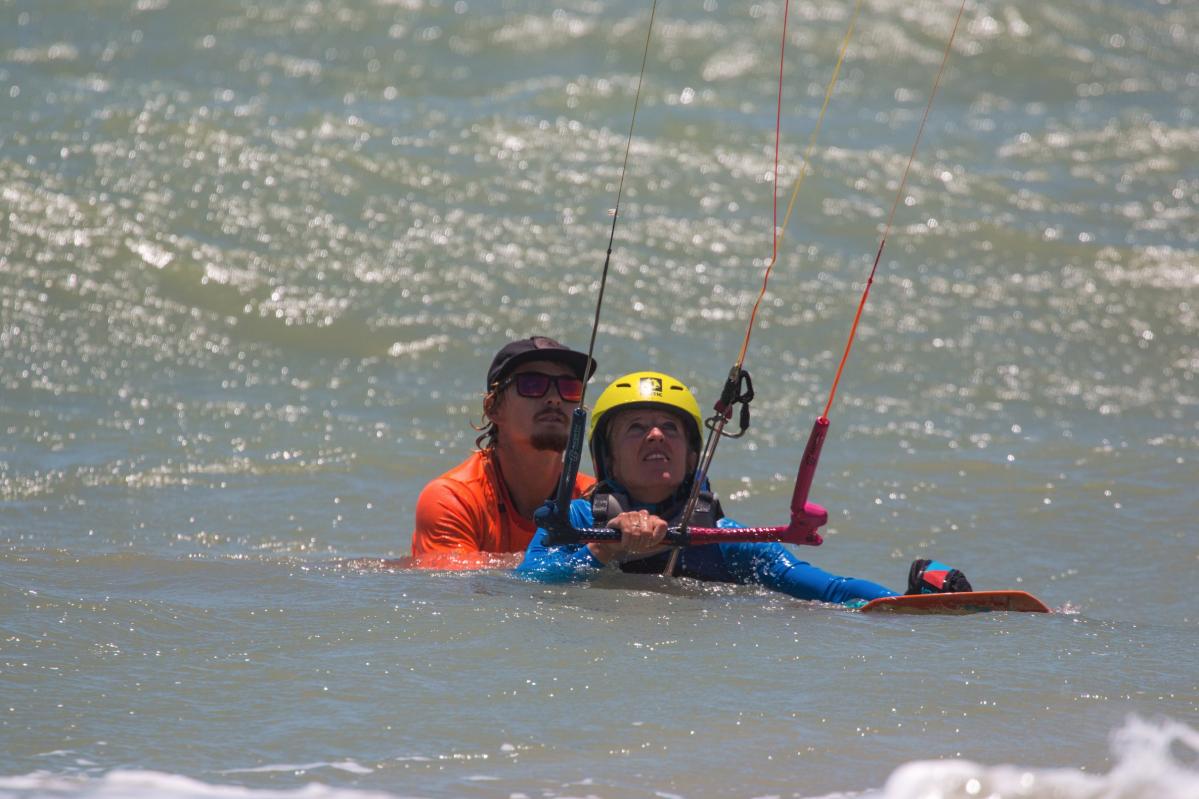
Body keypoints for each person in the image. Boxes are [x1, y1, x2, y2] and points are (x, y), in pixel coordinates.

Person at [517, 371, 972, 604]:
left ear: (693, 454)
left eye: (670, 429)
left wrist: (898, 607)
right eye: (636, 428)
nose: (656, 436)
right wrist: (604, 551)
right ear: (609, 457)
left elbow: (828, 592)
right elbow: (528, 584)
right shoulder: (577, 521)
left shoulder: (728, 540)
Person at [410, 336, 598, 568]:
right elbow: (453, 595)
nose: (554, 399)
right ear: (493, 408)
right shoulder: (453, 500)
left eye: (569, 388)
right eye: (532, 385)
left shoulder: (592, 498)